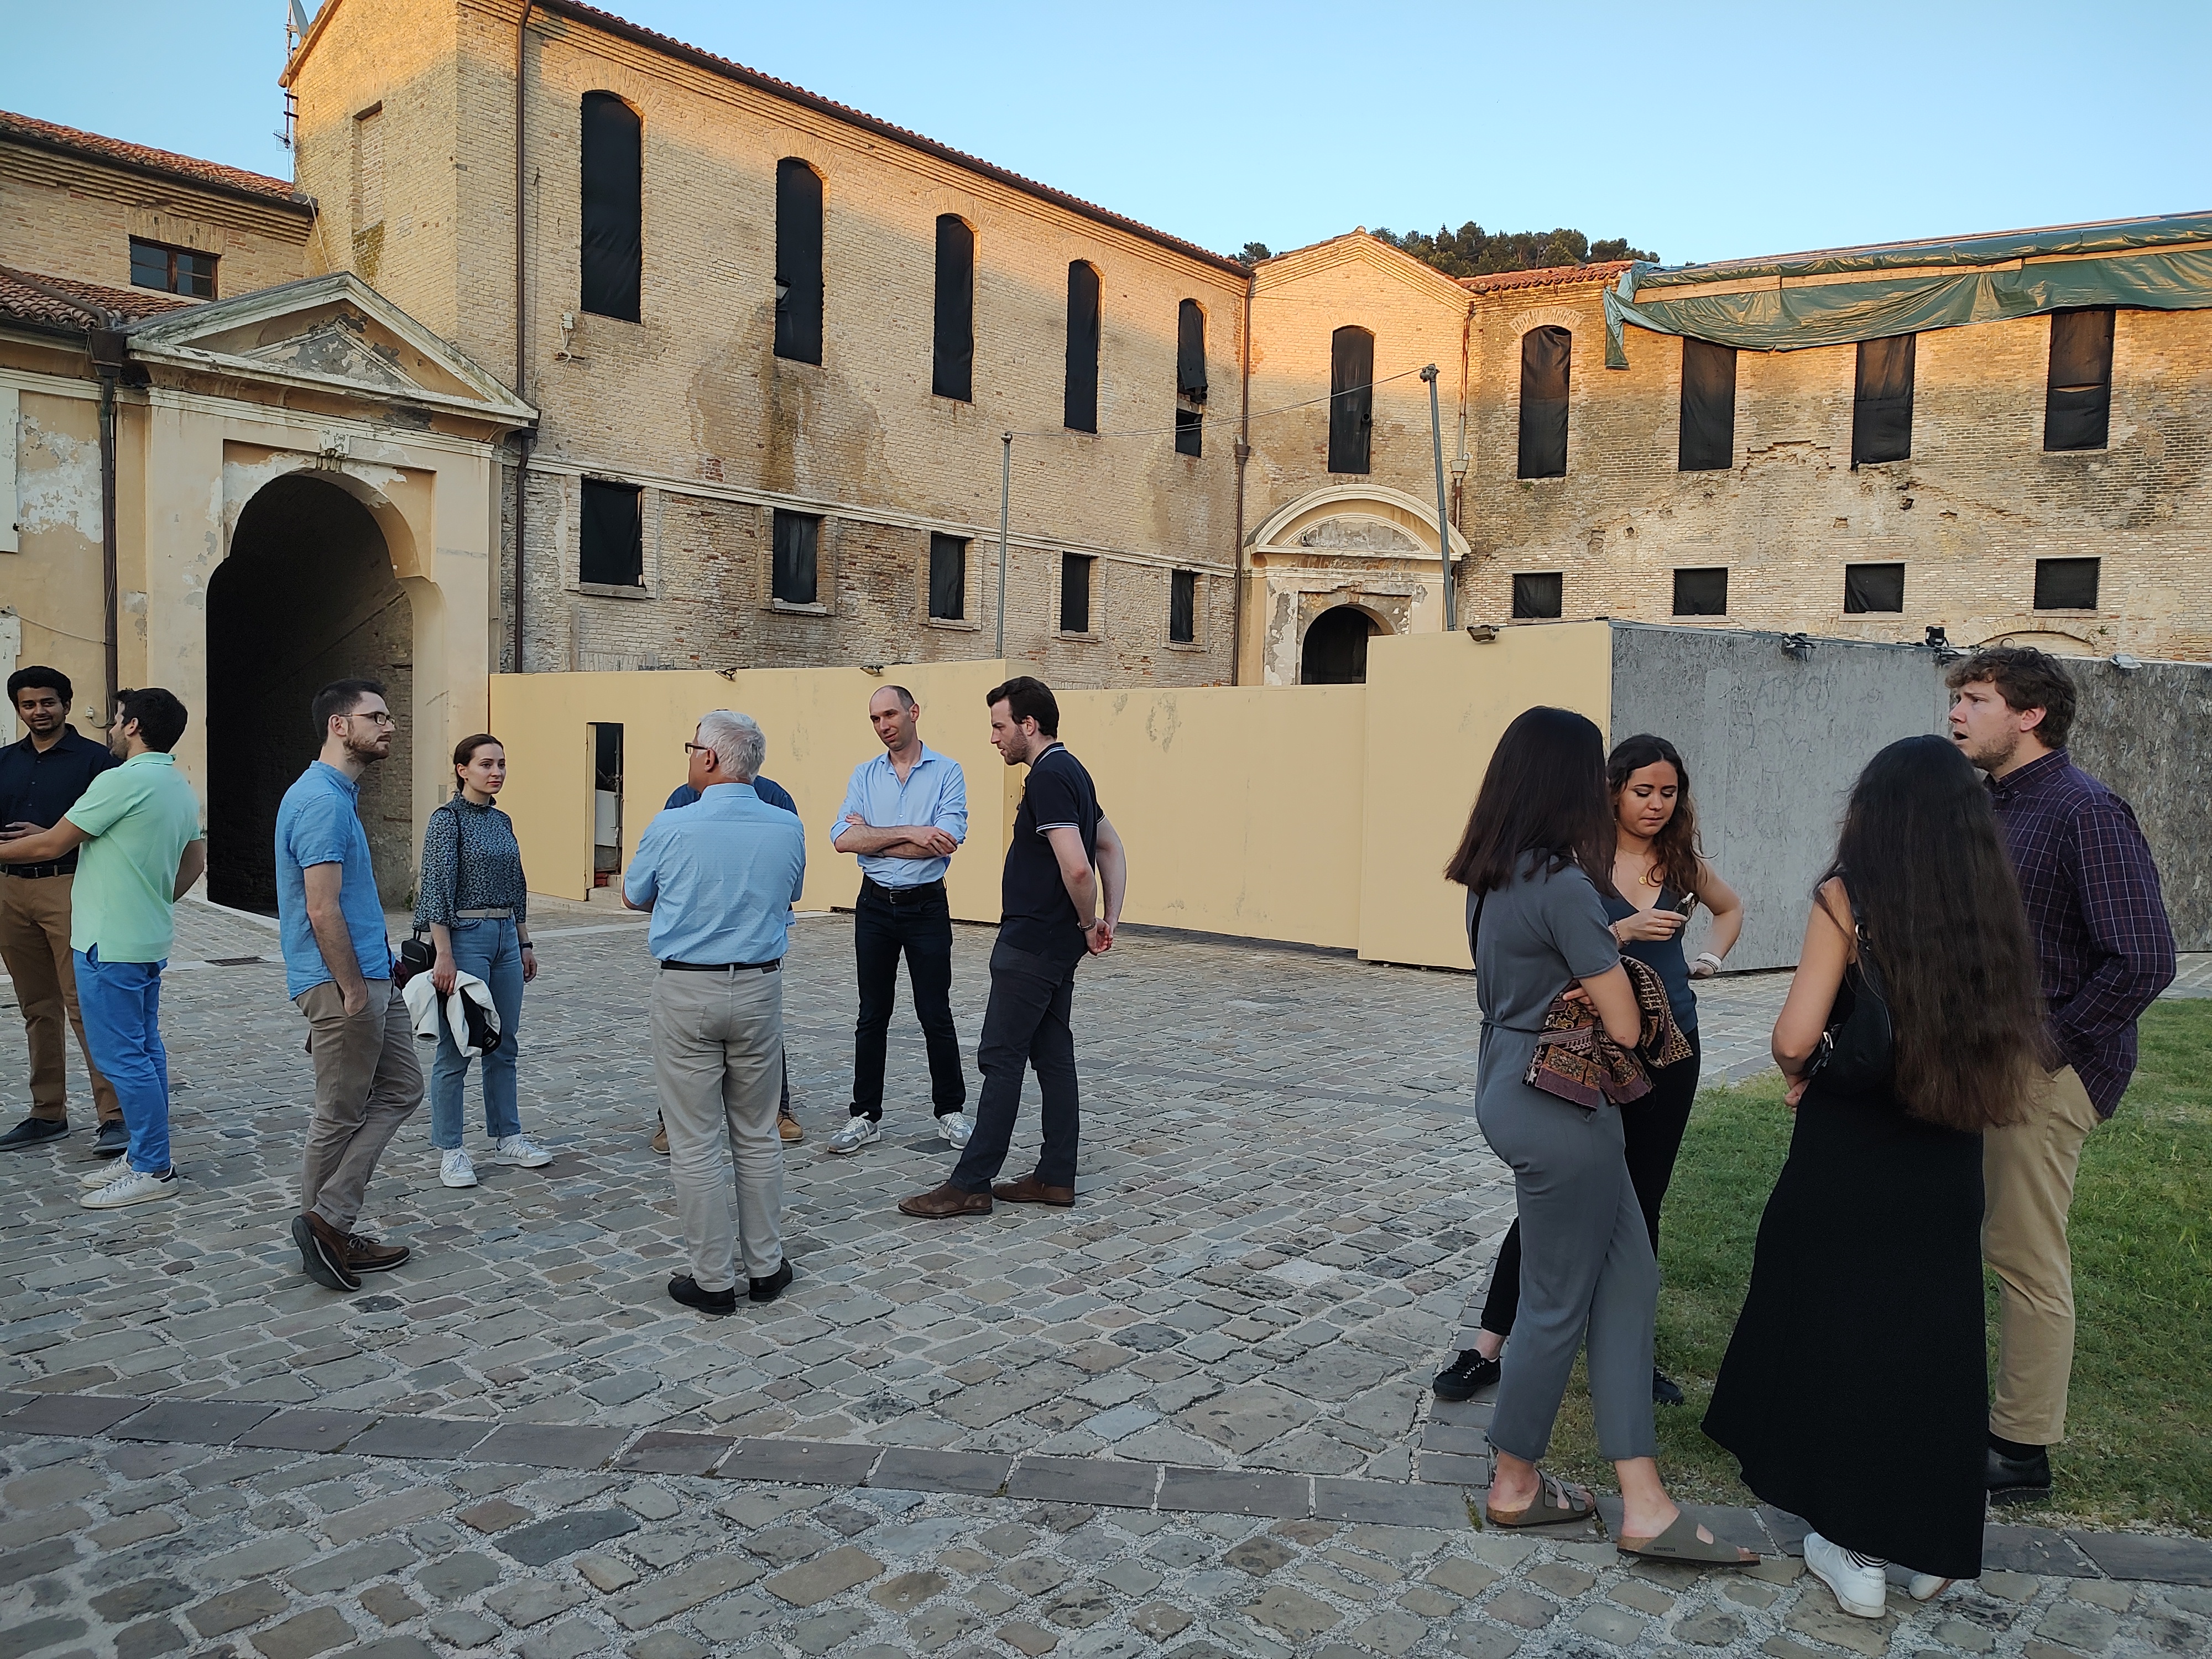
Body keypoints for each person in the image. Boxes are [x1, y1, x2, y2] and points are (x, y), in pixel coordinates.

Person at [1707, 735, 2049, 1617]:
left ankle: (1848, 1541)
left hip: (1855, 1145)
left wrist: (1799, 1069)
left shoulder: (1849, 894)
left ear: (1876, 811)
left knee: (1843, 1328)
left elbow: (1794, 1035)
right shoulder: (1988, 895)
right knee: (1934, 1340)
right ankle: (1935, 1542)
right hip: (1950, 1147)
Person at [1443, 706, 1751, 1564]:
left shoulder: (1494, 873)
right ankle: (1514, 1482)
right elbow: (1624, 1024)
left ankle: (1644, 1501)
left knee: (1630, 1278)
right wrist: (1611, 971)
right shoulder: (1566, 884)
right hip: (1563, 1104)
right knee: (1556, 1301)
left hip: (1510, 1078)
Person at [1945, 646, 2175, 1504]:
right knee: (1966, 1236)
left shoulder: (2087, 811)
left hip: (2045, 1070)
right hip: (1976, 1060)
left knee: (2023, 1253)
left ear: (2030, 714)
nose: (1958, 712)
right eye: (1959, 698)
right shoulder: (1991, 806)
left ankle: (2021, 1449)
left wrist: (2045, 1049)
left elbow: (2144, 958)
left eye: (1976, 699)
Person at [901, 676, 1124, 1219]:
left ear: (1029, 724)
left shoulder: (1048, 776)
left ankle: (971, 1183)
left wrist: (1090, 920)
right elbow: (1111, 846)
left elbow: (1079, 866)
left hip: (1032, 942)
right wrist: (1107, 921)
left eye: (1000, 726)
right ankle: (1055, 1176)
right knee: (1052, 1055)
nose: (994, 738)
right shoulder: (1074, 772)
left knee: (1001, 1058)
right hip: (1054, 944)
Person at [626, 711, 806, 1314]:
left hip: (687, 987)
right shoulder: (786, 825)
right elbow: (790, 894)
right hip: (758, 987)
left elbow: (633, 894)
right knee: (757, 1133)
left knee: (695, 1141)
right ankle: (766, 1267)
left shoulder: (671, 824)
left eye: (690, 747)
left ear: (708, 758)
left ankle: (712, 1280)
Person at [0, 688, 204, 1208]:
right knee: (145, 1050)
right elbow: (194, 862)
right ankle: (142, 1154)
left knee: (123, 1057)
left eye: (117, 720)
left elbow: (52, 844)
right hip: (146, 937)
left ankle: (154, 1167)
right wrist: (153, 898)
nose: (111, 729)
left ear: (133, 726)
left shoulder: (121, 780)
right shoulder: (178, 785)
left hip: (108, 941)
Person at [276, 679, 419, 1293]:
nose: (390, 726)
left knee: (402, 1088)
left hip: (371, 975)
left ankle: (328, 1220)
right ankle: (326, 1229)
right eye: (376, 717)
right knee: (338, 1114)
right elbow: (321, 907)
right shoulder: (321, 802)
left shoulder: (338, 795)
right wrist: (352, 991)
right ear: (340, 726)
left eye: (389, 717)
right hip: (345, 982)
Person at [826, 685, 971, 1155]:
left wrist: (874, 838)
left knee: (935, 1012)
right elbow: (842, 839)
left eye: (890, 714)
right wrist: (912, 832)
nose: (883, 725)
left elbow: (946, 839)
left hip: (926, 906)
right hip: (874, 906)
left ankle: (950, 1111)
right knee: (872, 1014)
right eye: (875, 719)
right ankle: (865, 1115)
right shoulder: (864, 775)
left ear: (913, 712)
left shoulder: (947, 771)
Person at [415, 734, 552, 1188]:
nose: (496, 772)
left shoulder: (502, 820)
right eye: (486, 764)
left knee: (504, 1043)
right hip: (465, 938)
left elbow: (516, 883)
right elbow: (435, 888)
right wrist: (445, 954)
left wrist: (524, 942)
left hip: (506, 937)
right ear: (463, 770)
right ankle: (451, 1149)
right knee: (458, 1046)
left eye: (501, 764)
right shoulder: (447, 820)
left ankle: (508, 1136)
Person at [0, 666, 127, 1154]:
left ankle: (114, 1115)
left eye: (48, 702)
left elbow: (115, 830)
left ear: (66, 705)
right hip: (10, 892)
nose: (39, 712)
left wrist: (54, 836)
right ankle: (47, 1112)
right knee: (36, 1007)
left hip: (70, 887)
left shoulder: (98, 762)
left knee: (86, 1004)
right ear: (19, 709)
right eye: (29, 705)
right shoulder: (4, 761)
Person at [659, 766, 805, 1149]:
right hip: (696, 948)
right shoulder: (682, 800)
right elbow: (661, 876)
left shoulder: (775, 798)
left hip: (754, 944)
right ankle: (670, 1120)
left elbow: (790, 881)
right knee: (686, 1047)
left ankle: (778, 1109)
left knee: (761, 1033)